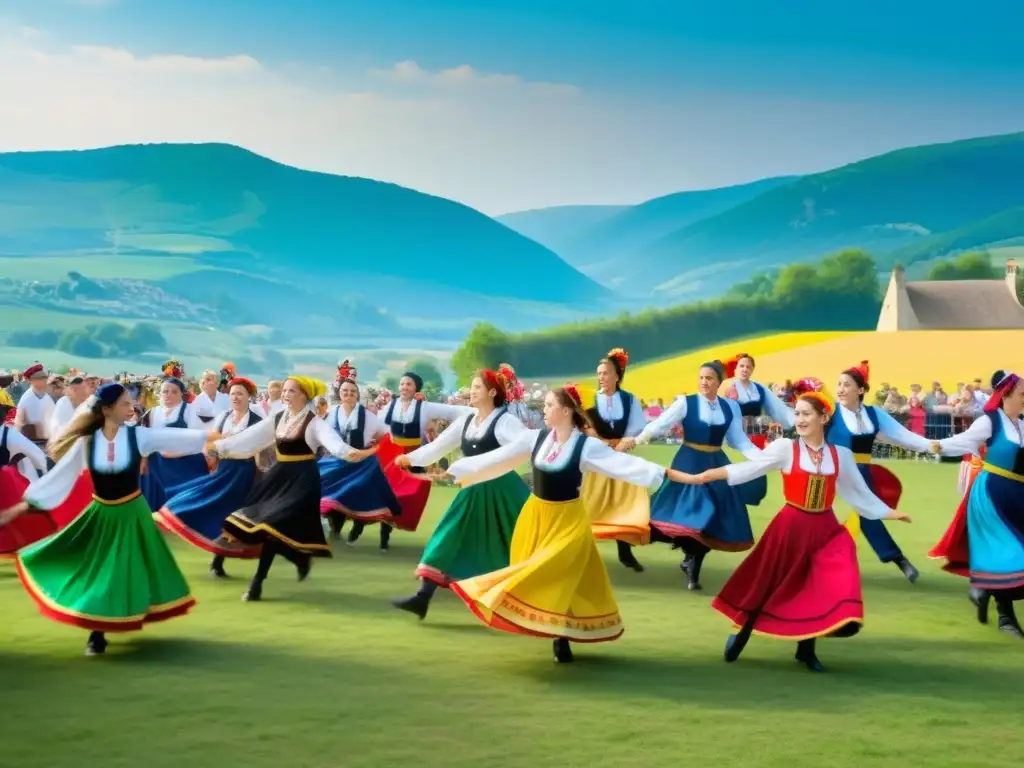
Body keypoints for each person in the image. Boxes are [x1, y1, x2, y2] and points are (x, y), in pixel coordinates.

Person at [445, 385, 690, 663]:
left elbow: (624, 465)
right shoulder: (534, 438)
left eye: (549, 405)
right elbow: (496, 459)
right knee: (539, 574)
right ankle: (551, 629)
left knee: (558, 570)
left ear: (565, 411)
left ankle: (557, 636)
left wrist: (673, 475)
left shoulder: (586, 446)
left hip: (568, 519)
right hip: (536, 516)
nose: (545, 410)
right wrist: (455, 469)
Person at [675, 391, 911, 671]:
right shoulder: (786, 448)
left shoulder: (841, 455)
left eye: (806, 414)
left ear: (824, 418)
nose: (799, 419)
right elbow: (750, 469)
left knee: (818, 584)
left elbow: (859, 494)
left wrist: (890, 512)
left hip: (824, 529)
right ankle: (743, 632)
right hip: (790, 527)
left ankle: (807, 648)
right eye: (797, 414)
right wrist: (711, 474)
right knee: (768, 583)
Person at [0, 382, 210, 656]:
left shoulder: (138, 437)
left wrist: (213, 438)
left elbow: (178, 438)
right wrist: (20, 508)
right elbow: (59, 477)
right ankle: (97, 632)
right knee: (102, 571)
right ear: (108, 409)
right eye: (124, 403)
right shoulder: (87, 442)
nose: (131, 407)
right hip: (101, 514)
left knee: (129, 570)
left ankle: (111, 625)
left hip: (132, 515)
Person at [206, 376, 376, 601]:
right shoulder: (278, 418)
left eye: (291, 391)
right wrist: (219, 447)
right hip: (279, 477)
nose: (286, 394)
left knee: (273, 527)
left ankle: (257, 584)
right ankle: (298, 558)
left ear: (304, 395)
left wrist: (356, 453)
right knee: (253, 523)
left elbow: (336, 445)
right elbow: (249, 439)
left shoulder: (315, 423)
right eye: (284, 390)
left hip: (303, 482)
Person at [391, 367, 529, 619]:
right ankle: (423, 596)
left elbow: (526, 444)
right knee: (448, 533)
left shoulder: (506, 421)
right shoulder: (467, 420)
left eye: (476, 387)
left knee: (515, 543)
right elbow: (438, 446)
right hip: (472, 489)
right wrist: (408, 458)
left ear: (491, 392)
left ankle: (526, 600)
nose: (471, 392)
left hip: (502, 490)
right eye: (471, 387)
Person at [623, 360, 763, 591]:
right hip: (688, 463)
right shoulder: (686, 403)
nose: (704, 382)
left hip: (716, 464)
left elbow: (739, 440)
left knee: (711, 520)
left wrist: (763, 460)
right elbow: (659, 424)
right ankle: (680, 554)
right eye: (701, 378)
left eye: (709, 378)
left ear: (719, 382)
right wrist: (636, 441)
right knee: (683, 517)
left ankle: (692, 564)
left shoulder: (730, 407)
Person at [928, 370, 1024, 638]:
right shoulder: (990, 422)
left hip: (1017, 495)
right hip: (991, 494)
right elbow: (962, 442)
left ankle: (982, 590)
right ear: (1006, 395)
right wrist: (934, 446)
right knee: (1009, 553)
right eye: (1022, 394)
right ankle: (1006, 617)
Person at [828, 361, 934, 583]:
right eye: (838, 384)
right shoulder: (829, 412)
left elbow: (903, 436)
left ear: (860, 390)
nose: (840, 389)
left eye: (846, 384)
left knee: (870, 515)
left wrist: (933, 445)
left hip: (861, 474)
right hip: (831, 473)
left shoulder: (873, 414)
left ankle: (898, 558)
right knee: (821, 518)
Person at [155, 377, 265, 578]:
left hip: (245, 473)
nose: (236, 397)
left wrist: (259, 478)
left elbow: (260, 452)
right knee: (215, 509)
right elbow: (211, 442)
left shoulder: (257, 421)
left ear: (249, 396)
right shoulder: (224, 417)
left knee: (236, 517)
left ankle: (223, 561)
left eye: (240, 393)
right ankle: (216, 559)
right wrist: (212, 460)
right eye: (232, 394)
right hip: (224, 471)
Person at [582, 348, 651, 572]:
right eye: (599, 373)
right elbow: (585, 426)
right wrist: (601, 442)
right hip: (598, 458)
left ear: (616, 376)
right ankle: (584, 552)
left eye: (606, 373)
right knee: (591, 504)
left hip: (621, 457)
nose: (601, 377)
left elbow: (636, 427)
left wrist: (625, 442)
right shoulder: (590, 399)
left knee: (622, 505)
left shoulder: (629, 399)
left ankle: (625, 552)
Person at [140, 376, 209, 512]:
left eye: (174, 392)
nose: (169, 395)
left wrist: (175, 453)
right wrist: (144, 459)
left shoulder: (191, 411)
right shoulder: (152, 413)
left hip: (184, 465)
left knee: (181, 504)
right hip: (157, 465)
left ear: (181, 394)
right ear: (159, 393)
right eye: (165, 391)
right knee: (154, 501)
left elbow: (200, 440)